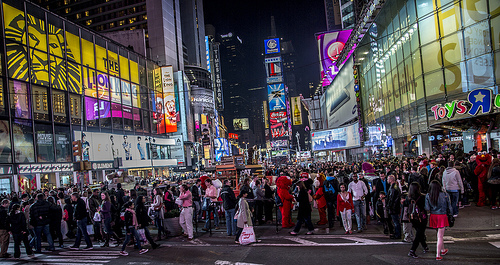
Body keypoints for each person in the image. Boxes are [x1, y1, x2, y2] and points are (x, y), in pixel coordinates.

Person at [425, 180, 452, 261]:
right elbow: (449, 207)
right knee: (440, 236)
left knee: (439, 233)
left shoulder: (428, 195)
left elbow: (427, 208)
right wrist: (451, 215)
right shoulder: (445, 195)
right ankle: (438, 254)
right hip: (442, 216)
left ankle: (443, 250)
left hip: (433, 215)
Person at [406, 182, 429, 259]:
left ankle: (425, 246)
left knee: (419, 232)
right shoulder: (422, 197)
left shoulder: (408, 198)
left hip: (412, 217)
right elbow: (426, 207)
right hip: (421, 217)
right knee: (420, 233)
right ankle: (412, 250)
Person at [387, 175, 401, 239]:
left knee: (396, 221)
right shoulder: (395, 187)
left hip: (394, 207)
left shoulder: (393, 188)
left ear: (390, 180)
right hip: (395, 206)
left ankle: (397, 234)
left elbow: (391, 198)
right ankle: (396, 233)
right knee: (395, 221)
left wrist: (389, 206)